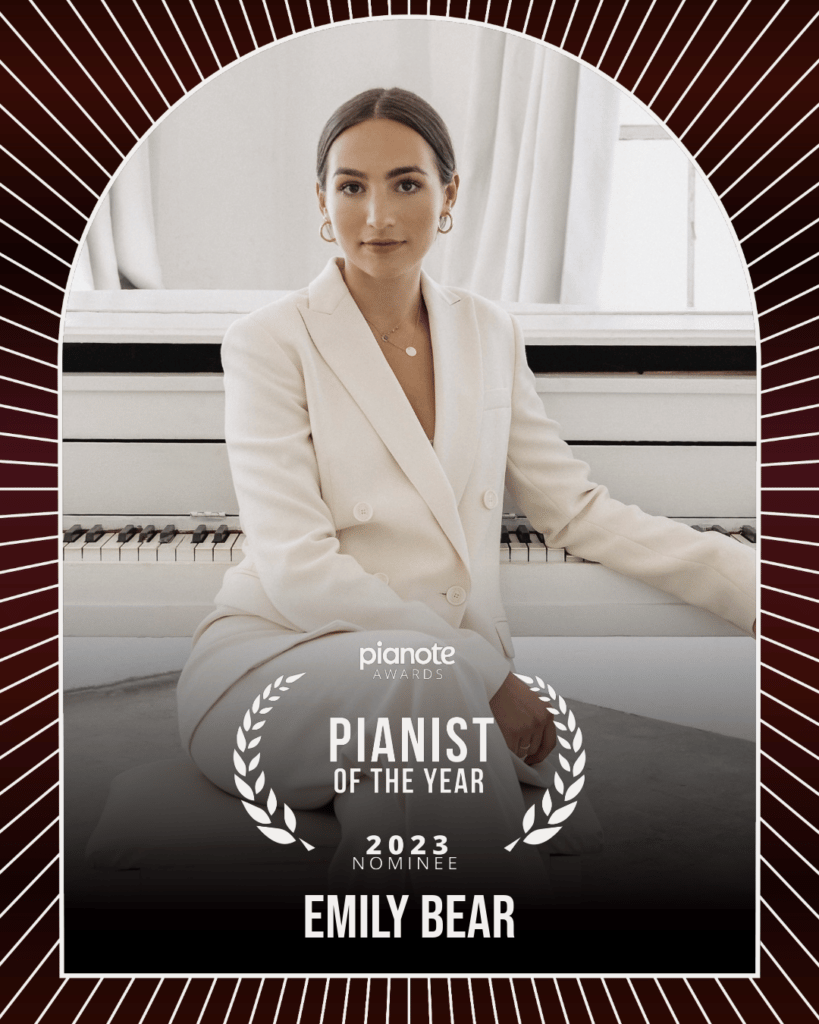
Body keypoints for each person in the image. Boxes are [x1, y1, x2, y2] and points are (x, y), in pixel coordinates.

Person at [177, 88, 755, 903]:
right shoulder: (268, 341)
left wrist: (751, 584)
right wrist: (476, 667)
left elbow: (571, 508)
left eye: (406, 183)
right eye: (351, 186)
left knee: (422, 730)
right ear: (321, 201)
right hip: (274, 668)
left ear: (449, 197)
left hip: (433, 686)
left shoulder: (488, 331)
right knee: (421, 688)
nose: (376, 213)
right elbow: (296, 567)